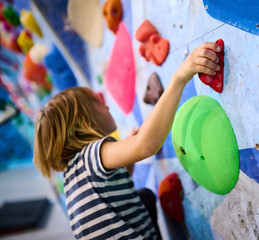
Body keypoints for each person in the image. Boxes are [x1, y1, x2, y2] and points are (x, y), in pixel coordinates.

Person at [33, 42, 221, 239]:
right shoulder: (90, 155)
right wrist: (179, 77)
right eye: (98, 103)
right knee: (145, 196)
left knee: (145, 197)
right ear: (85, 121)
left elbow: (112, 187)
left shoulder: (73, 174)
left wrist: (129, 153)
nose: (106, 106)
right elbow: (146, 146)